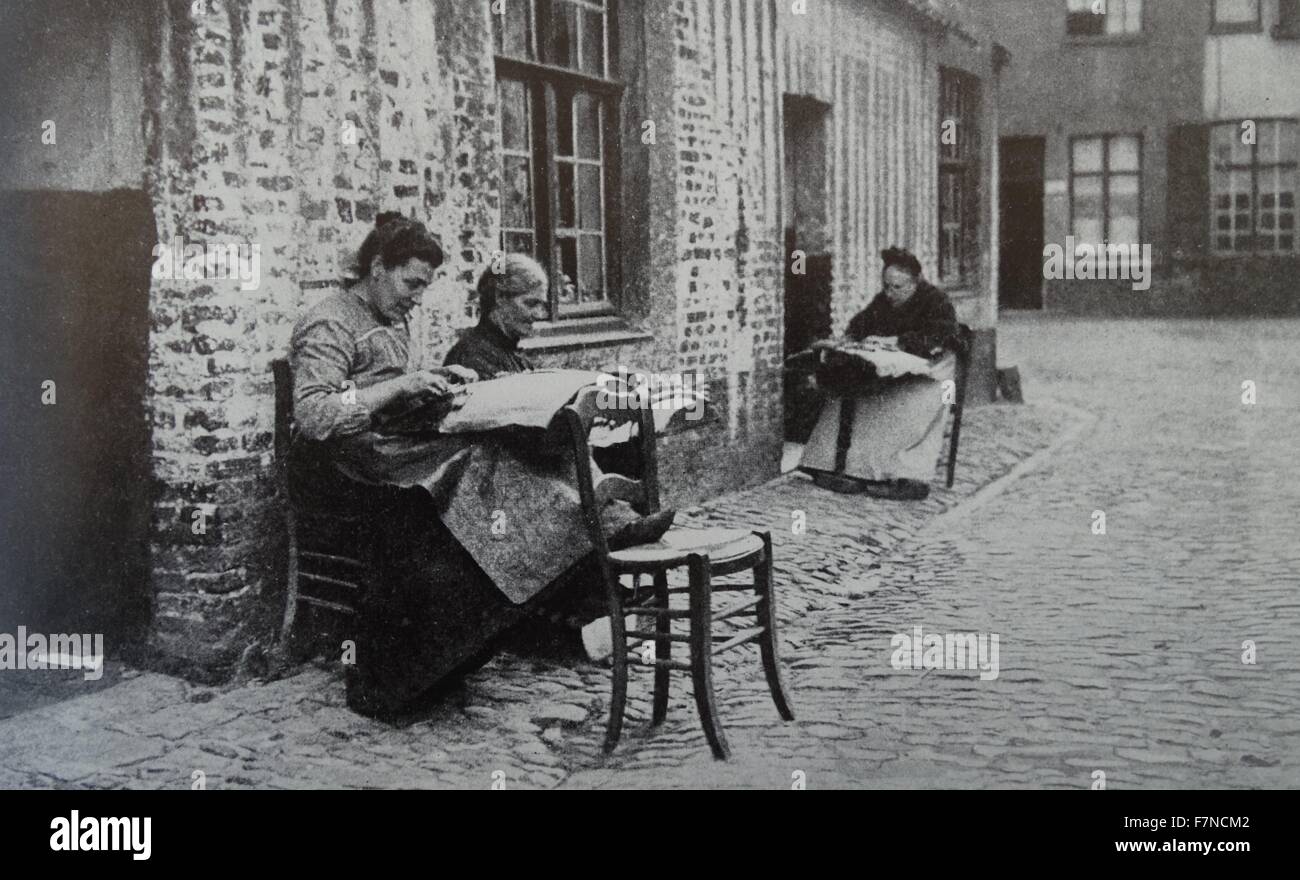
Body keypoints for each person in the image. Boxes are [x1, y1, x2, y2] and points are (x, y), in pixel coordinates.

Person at [287, 218, 669, 715]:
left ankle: (595, 530)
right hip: (344, 469)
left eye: (424, 286)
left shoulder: (390, 316)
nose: (417, 297)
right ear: (378, 268)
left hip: (388, 451)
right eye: (412, 283)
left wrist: (438, 381)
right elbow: (314, 415)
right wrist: (398, 388)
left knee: (505, 453)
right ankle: (589, 539)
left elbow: (391, 397)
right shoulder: (331, 320)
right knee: (485, 467)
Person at [799, 246, 959, 501]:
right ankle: (827, 464)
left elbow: (940, 336)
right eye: (886, 286)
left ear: (915, 282)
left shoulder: (937, 301)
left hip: (932, 374)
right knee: (847, 395)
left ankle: (908, 478)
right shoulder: (884, 301)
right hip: (896, 371)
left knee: (901, 408)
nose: (890, 293)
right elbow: (861, 323)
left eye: (898, 287)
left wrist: (897, 341)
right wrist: (848, 340)